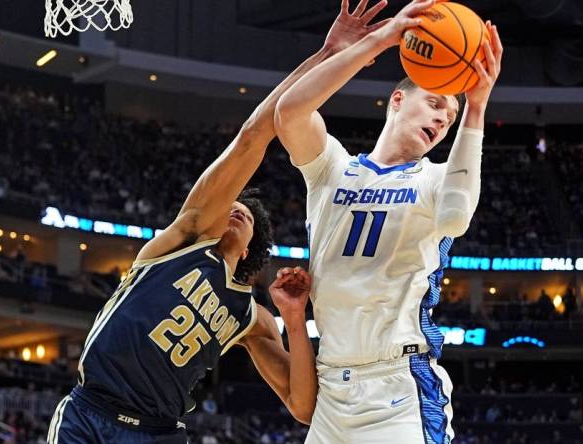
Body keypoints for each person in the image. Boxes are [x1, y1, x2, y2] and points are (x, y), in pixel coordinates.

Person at [46, 2, 390, 442]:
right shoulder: (182, 241)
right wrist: (329, 54)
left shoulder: (248, 316)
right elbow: (254, 134)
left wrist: (295, 316)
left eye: (243, 215)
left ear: (249, 247)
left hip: (158, 432)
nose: (232, 209)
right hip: (91, 410)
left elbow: (303, 407)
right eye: (230, 205)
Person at [274, 0, 503, 441]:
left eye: (449, 118)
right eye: (436, 103)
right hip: (332, 384)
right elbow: (289, 114)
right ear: (397, 99)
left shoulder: (437, 179)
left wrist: (476, 107)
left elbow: (455, 218)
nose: (442, 119)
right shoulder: (331, 168)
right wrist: (381, 39)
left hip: (398, 386)